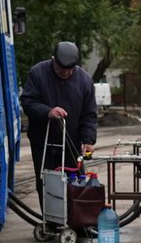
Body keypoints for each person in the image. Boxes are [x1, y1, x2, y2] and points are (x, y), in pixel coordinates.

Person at [20, 41, 98, 186]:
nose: (66, 73)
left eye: (70, 69)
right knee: (48, 186)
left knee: (76, 185)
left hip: (72, 143)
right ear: (53, 60)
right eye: (61, 69)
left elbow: (89, 114)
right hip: (43, 143)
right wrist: (47, 112)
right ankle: (49, 209)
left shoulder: (84, 81)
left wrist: (88, 140)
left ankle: (74, 209)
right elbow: (28, 102)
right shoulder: (38, 73)